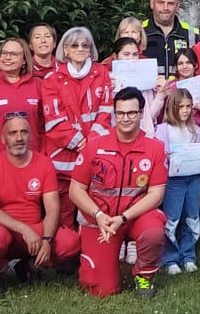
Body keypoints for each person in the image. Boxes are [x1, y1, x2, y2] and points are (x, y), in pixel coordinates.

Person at [68, 87, 168, 298]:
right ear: (114, 114)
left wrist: (123, 217)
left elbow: (156, 194)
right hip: (100, 220)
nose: (125, 118)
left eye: (131, 113)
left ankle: (144, 277)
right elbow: (75, 190)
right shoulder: (94, 146)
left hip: (134, 217)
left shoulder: (155, 149)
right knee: (102, 290)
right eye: (120, 113)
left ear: (141, 113)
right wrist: (99, 216)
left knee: (153, 233)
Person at [0, 112, 78, 294]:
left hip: (35, 235)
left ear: (31, 136)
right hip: (3, 231)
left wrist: (47, 240)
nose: (19, 138)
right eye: (13, 133)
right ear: (3, 138)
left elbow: (53, 209)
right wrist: (24, 229)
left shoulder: (44, 163)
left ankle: (27, 266)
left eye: (24, 132)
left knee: (71, 242)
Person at [41, 26, 113, 182]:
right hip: (63, 158)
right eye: (74, 45)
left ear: (90, 49)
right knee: (64, 206)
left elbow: (107, 111)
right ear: (65, 50)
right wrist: (80, 142)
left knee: (95, 204)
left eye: (85, 45)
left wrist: (92, 142)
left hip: (97, 154)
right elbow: (54, 120)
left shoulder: (101, 72)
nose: (80, 49)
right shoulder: (52, 79)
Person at [152, 86, 200, 276]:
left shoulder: (197, 131)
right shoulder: (162, 130)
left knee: (191, 217)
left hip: (193, 179)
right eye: (181, 106)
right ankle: (170, 258)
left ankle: (188, 255)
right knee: (171, 219)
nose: (185, 110)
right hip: (173, 181)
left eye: (188, 106)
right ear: (172, 107)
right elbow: (157, 157)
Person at [144, 0, 197, 77]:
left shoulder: (192, 34)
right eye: (161, 3)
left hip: (181, 90)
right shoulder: (139, 32)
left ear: (177, 6)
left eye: (170, 3)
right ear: (152, 4)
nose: (165, 8)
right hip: (149, 91)